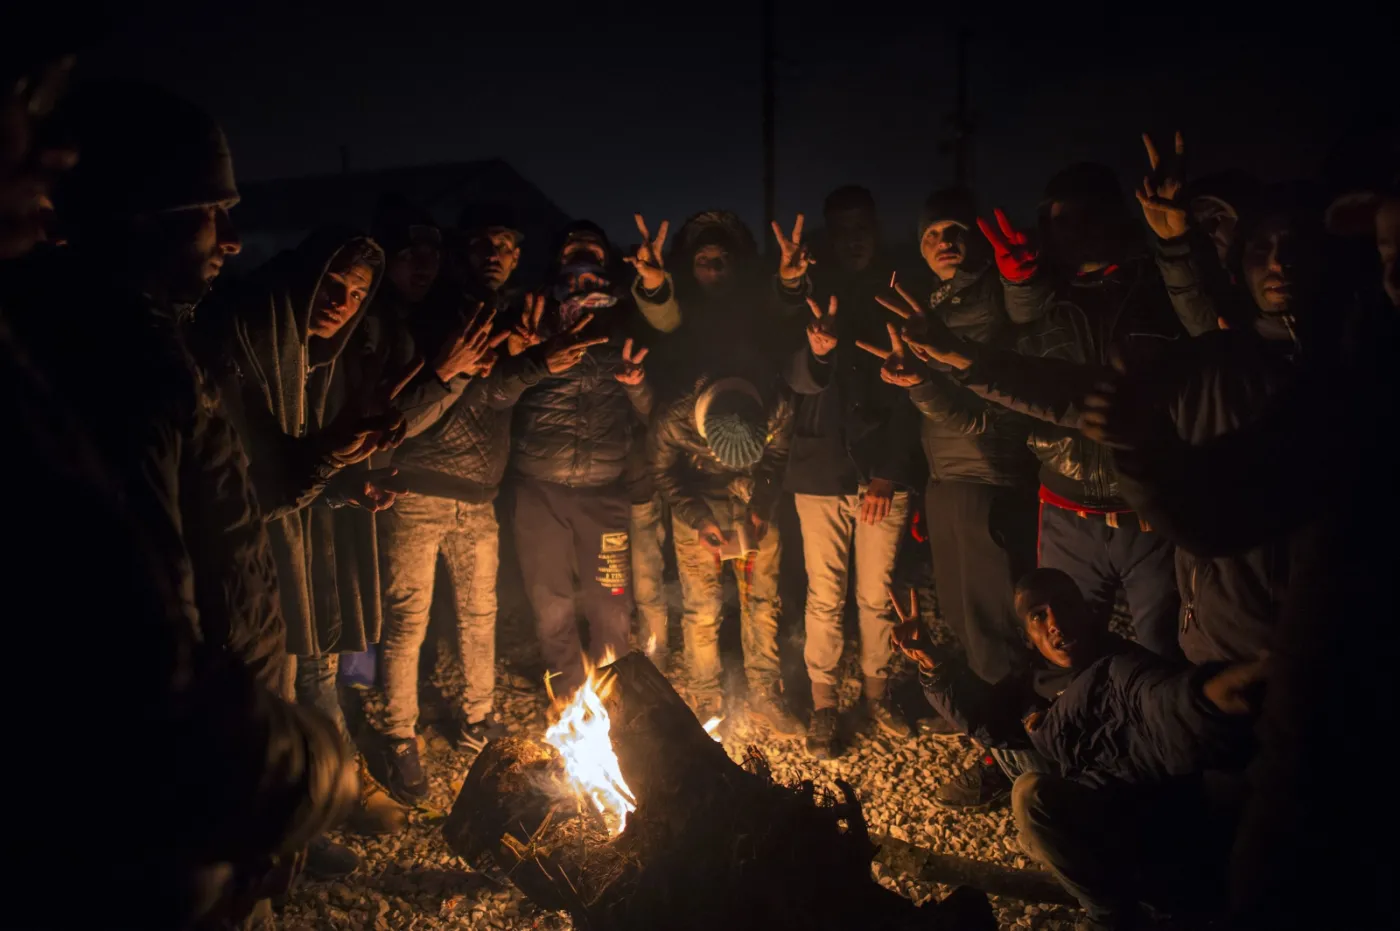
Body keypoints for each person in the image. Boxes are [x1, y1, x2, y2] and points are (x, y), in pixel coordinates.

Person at [0, 64, 355, 927]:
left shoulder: (128, 344)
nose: (230, 238)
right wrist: (313, 769)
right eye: (211, 211)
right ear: (141, 216)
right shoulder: (122, 368)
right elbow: (138, 655)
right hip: (165, 849)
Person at [894, 569, 1263, 930]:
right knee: (1007, 730)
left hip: (1142, 823)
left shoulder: (1120, 668)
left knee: (1029, 795)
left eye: (1065, 607)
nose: (1056, 622)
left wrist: (1215, 696)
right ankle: (1065, 849)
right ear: (1028, 635)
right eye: (1040, 616)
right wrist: (932, 659)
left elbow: (1163, 699)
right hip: (1087, 790)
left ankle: (1110, 913)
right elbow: (988, 719)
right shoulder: (1034, 675)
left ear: (1086, 613)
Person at [930, 164, 1184, 660]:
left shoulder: (1150, 287)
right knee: (1067, 650)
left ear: (1115, 220)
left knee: (1164, 649)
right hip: (1067, 510)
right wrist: (1020, 283)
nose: (1073, 233)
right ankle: (1082, 734)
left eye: (1087, 218)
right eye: (1059, 222)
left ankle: (1160, 735)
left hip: (1148, 511)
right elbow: (1019, 322)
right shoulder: (1036, 291)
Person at [861, 186, 1039, 806]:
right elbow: (922, 407)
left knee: (1000, 630)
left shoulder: (997, 295)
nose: (945, 242)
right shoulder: (933, 304)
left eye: (956, 231)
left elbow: (1024, 309)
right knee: (965, 622)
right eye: (933, 234)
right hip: (949, 479)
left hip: (993, 476)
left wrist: (1019, 278)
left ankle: (1013, 761)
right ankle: (985, 729)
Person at [510, 220, 661, 695]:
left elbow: (650, 409)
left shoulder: (624, 325)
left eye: (592, 256)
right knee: (550, 605)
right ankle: (569, 705)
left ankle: (614, 707)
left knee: (612, 606)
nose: (583, 270)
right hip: (539, 488)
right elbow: (497, 396)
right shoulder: (532, 322)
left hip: (604, 490)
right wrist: (526, 357)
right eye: (573, 256)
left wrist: (638, 387)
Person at [781, 280, 921, 757]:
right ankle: (825, 706)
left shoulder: (894, 301)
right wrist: (818, 351)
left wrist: (888, 472)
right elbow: (797, 380)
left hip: (879, 477)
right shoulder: (810, 307)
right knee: (824, 594)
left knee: (877, 594)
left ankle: (875, 696)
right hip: (821, 475)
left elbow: (912, 395)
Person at [650, 372, 801, 734]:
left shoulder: (777, 405)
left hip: (751, 499)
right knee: (701, 608)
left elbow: (777, 455)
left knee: (763, 603)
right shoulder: (675, 417)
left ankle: (765, 692)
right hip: (698, 504)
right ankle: (705, 699)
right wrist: (698, 518)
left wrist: (762, 503)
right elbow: (662, 471)